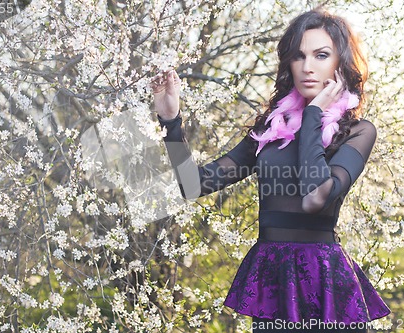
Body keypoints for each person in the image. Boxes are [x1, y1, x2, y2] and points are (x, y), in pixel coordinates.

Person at [151, 9, 391, 333]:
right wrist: (170, 121)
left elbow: (315, 198)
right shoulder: (271, 130)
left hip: (325, 282)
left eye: (321, 55)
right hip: (276, 281)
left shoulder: (357, 132)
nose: (307, 67)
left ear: (340, 63)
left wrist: (314, 114)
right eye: (298, 56)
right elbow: (192, 185)